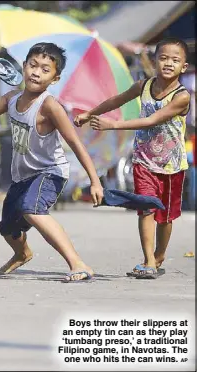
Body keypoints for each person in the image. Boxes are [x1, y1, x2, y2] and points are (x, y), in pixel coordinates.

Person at [0, 42, 104, 282]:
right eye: (32, 65)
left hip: (50, 171)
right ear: (23, 66)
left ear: (55, 78)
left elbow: (75, 143)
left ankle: (78, 263)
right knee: (8, 230)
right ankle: (22, 254)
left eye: (44, 69)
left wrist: (95, 181)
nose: (36, 72)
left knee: (32, 209)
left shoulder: (50, 105)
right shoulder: (12, 98)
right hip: (22, 175)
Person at [74, 37, 191, 279]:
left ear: (184, 67)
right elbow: (116, 100)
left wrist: (113, 125)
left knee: (165, 216)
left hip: (171, 165)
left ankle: (159, 256)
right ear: (155, 61)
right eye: (163, 58)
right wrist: (90, 113)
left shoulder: (182, 97)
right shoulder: (143, 86)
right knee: (145, 207)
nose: (168, 63)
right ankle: (148, 260)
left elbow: (152, 120)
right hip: (143, 160)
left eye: (175, 60)